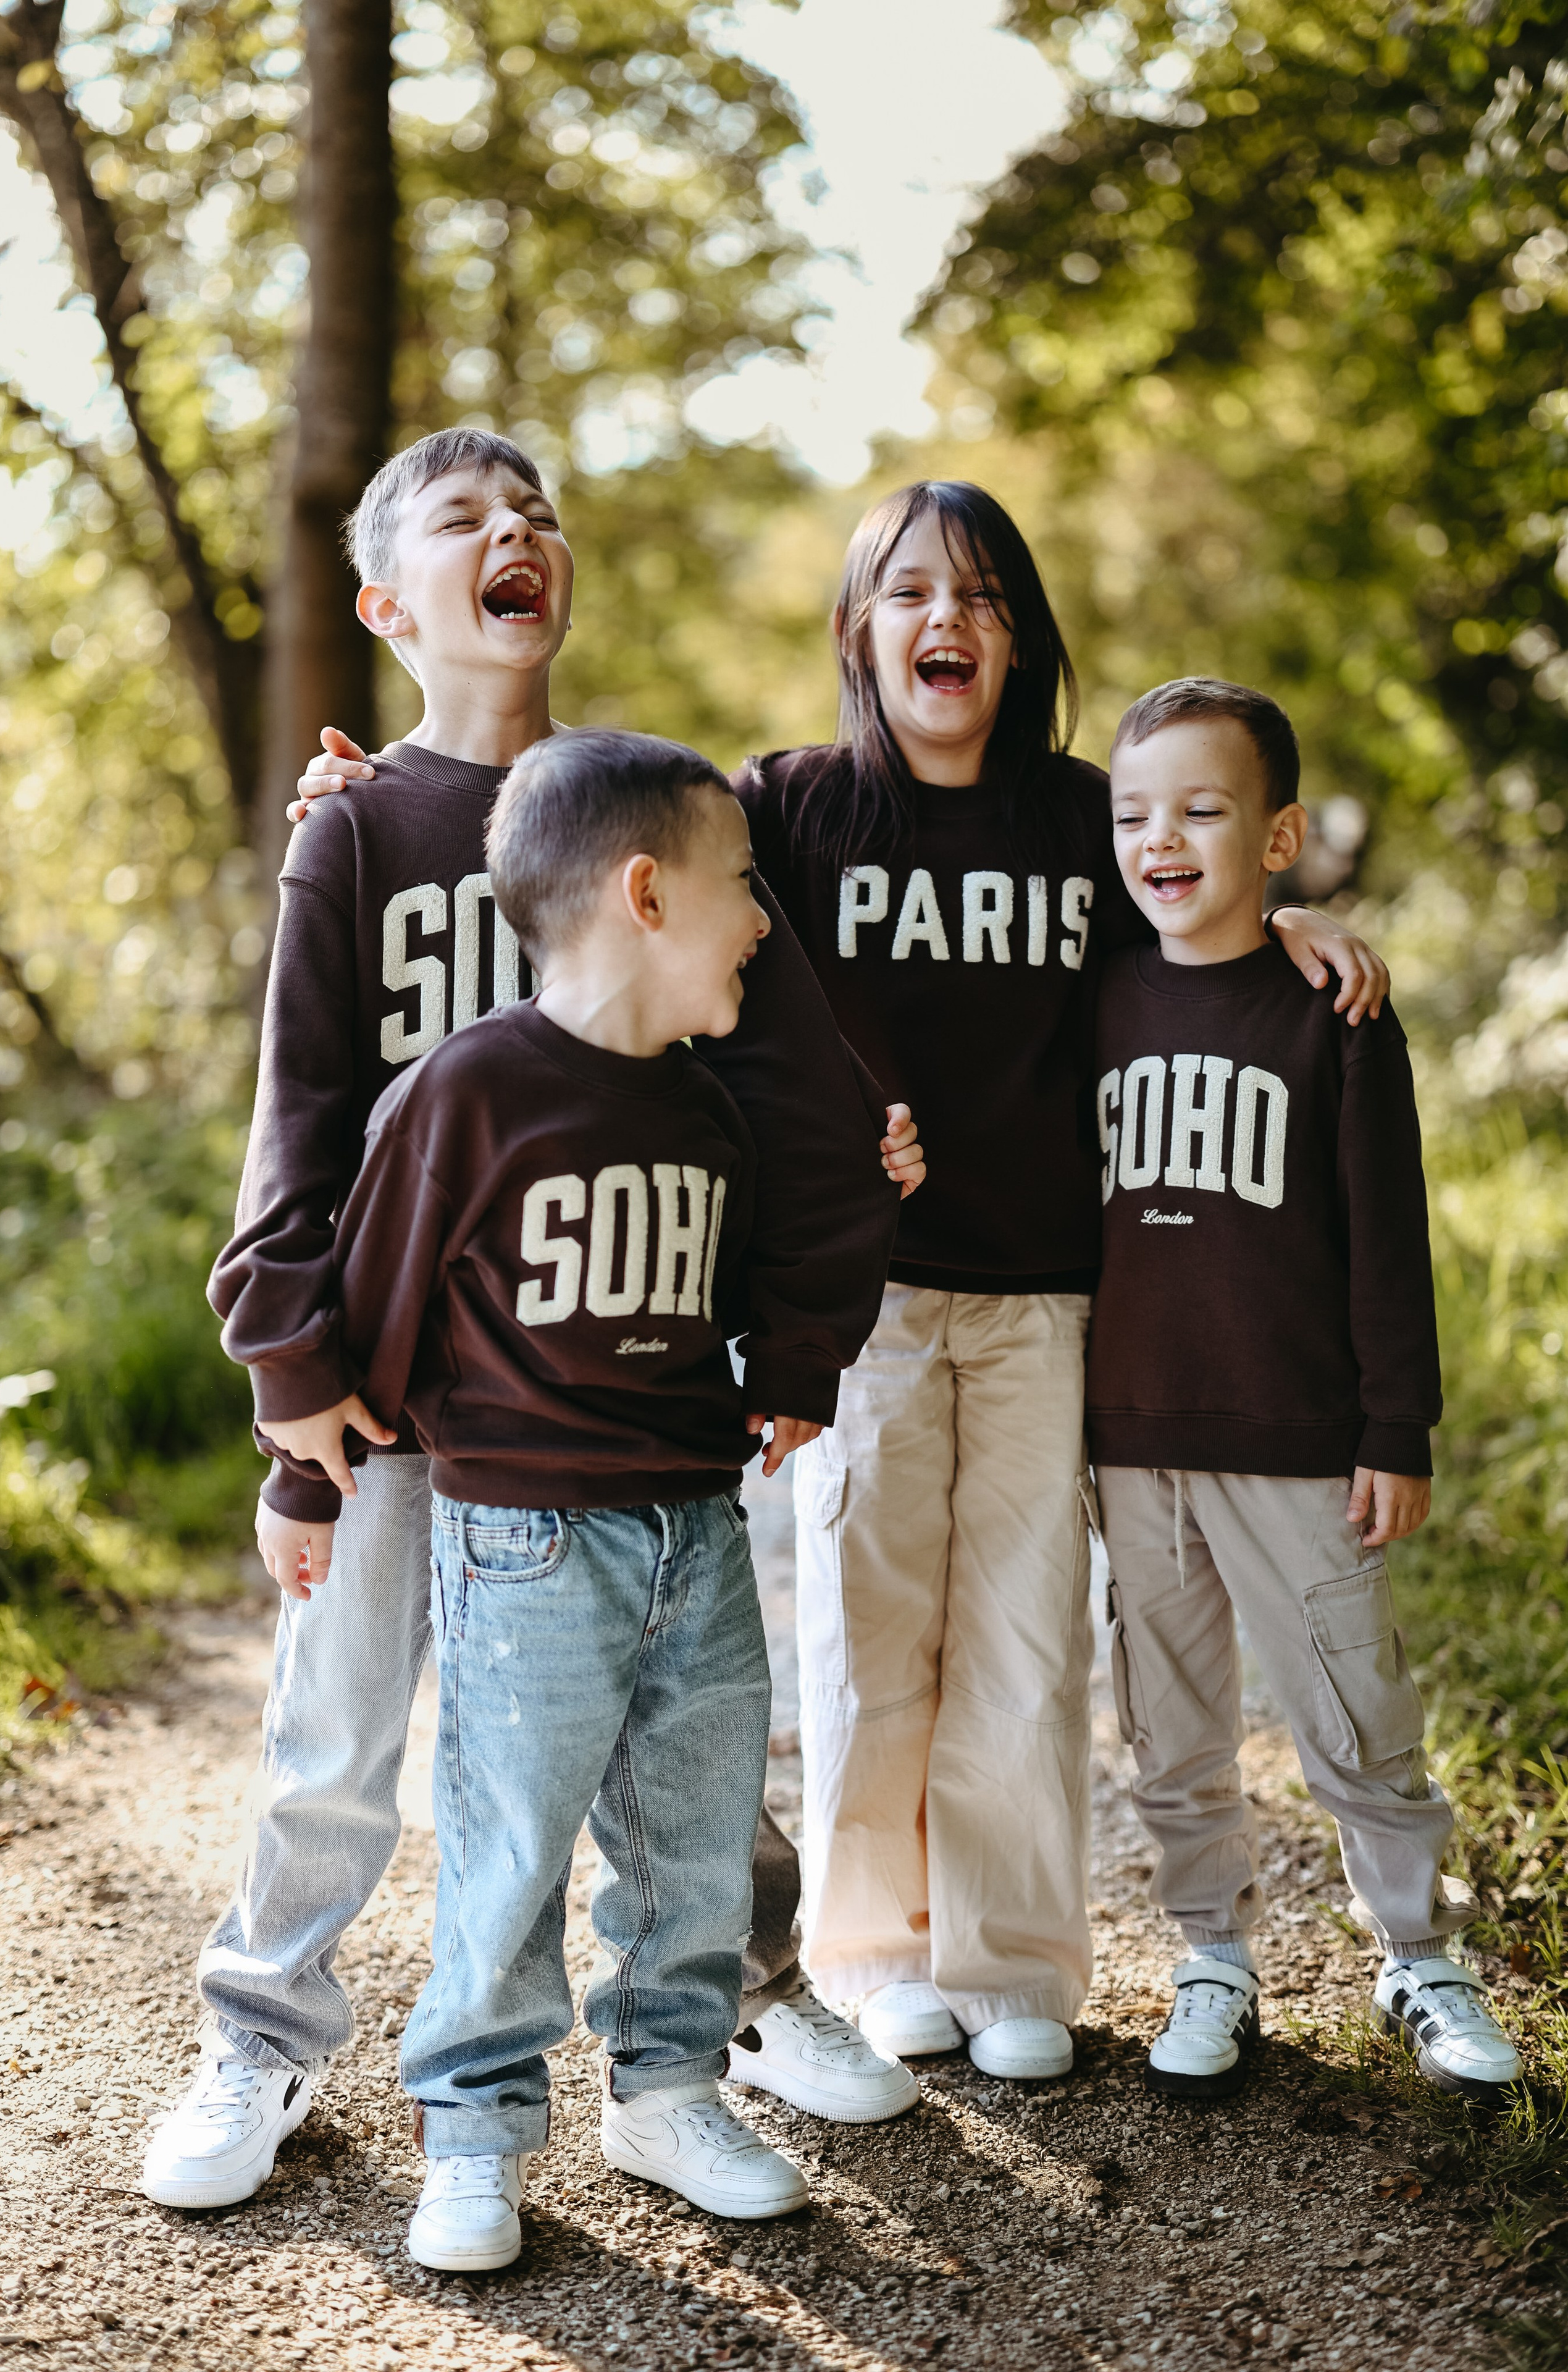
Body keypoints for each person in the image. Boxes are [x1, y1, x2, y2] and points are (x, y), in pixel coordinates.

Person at [141, 429, 921, 2218]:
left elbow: (798, 1076)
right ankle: (263, 2031)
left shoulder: (638, 816)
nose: (515, 535)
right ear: (385, 603)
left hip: (613, 1367)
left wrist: (809, 1309)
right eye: (464, 522)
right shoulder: (356, 833)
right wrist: (291, 1375)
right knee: (341, 1733)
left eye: (539, 516)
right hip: (405, 1379)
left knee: (682, 1719)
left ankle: (738, 2001)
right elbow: (302, 1116)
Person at [727, 482, 1393, 2082]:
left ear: (1021, 638)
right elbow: (642, 899)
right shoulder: (792, 808)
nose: (944, 622)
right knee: (871, 1639)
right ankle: (877, 1949)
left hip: (1048, 1296)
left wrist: (1286, 922)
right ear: (858, 633)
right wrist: (378, 804)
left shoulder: (1084, 818)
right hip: (864, 1308)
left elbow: (1195, 911)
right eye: (908, 596)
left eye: (981, 597)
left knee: (1027, 1639)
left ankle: (1014, 1960)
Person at [288, 728, 835, 2265]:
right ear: (646, 894)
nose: (760, 922)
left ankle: (664, 2088)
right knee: (512, 1840)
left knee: (695, 1830)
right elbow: (371, 1301)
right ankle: (471, 2127)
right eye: (743, 890)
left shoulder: (706, 1110)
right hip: (525, 1542)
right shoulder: (468, 1093)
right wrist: (302, 1475)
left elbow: (744, 1287)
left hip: (695, 1533)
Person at [1090, 675, 1519, 2105]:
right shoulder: (1087, 990)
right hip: (1134, 1435)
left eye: (1202, 812)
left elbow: (1385, 1235)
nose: (1163, 839)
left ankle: (1415, 1952)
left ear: (1276, 840)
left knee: (1354, 1714)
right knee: (1171, 1730)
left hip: (1295, 1439)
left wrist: (1393, 1425)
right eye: (1133, 813)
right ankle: (1210, 1952)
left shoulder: (1332, 1009)